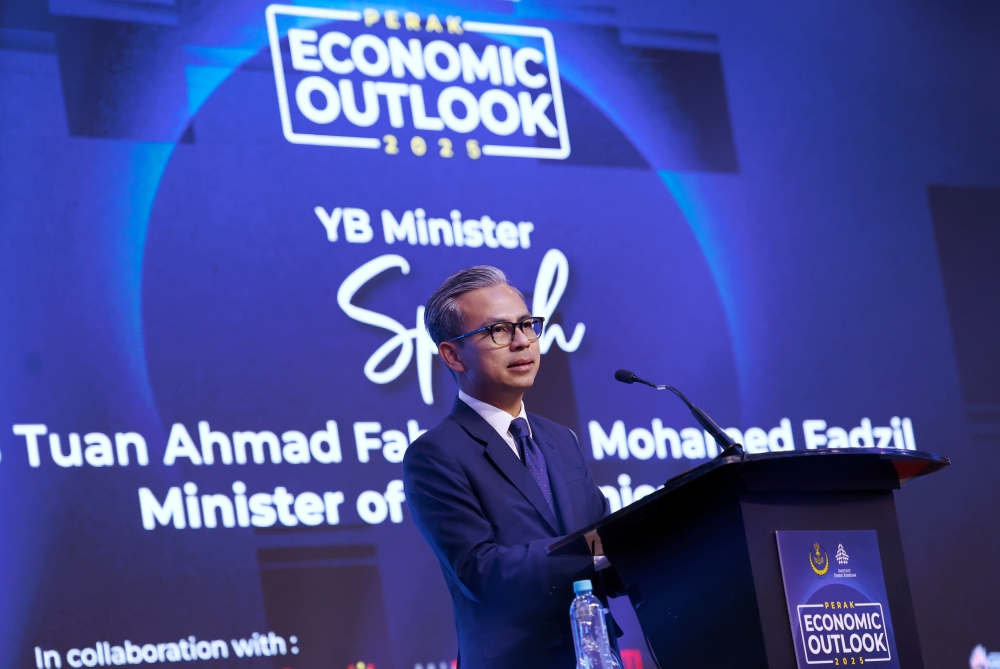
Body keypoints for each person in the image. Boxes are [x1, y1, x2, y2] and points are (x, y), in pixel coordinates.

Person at [402, 265, 619, 669]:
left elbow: (604, 536)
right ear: (452, 354)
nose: (521, 342)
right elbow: (481, 570)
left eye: (527, 325)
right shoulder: (435, 455)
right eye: (498, 331)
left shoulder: (561, 440)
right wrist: (595, 554)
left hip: (595, 654)